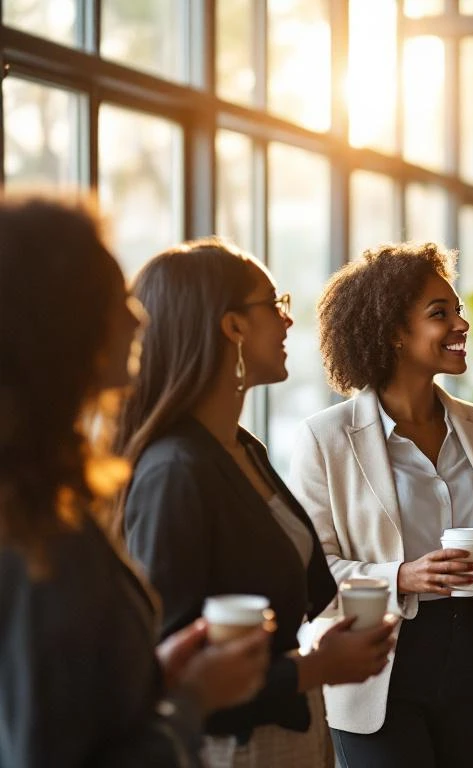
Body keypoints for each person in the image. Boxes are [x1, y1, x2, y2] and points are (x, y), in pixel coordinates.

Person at [0, 195, 272, 767]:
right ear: (58, 323)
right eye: (116, 298)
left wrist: (158, 678)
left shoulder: (45, 500)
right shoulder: (34, 532)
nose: (139, 317)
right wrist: (193, 699)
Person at [115, 238, 395, 767]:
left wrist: (324, 648)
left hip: (291, 737)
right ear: (232, 326)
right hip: (231, 752)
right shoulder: (175, 471)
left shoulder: (244, 449)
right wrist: (315, 667)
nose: (289, 322)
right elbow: (171, 672)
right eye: (275, 305)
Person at [289, 242, 473, 768]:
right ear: (393, 333)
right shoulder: (325, 437)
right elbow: (310, 573)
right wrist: (401, 576)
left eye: (458, 310)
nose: (461, 324)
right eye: (439, 314)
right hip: (376, 671)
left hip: (471, 667)